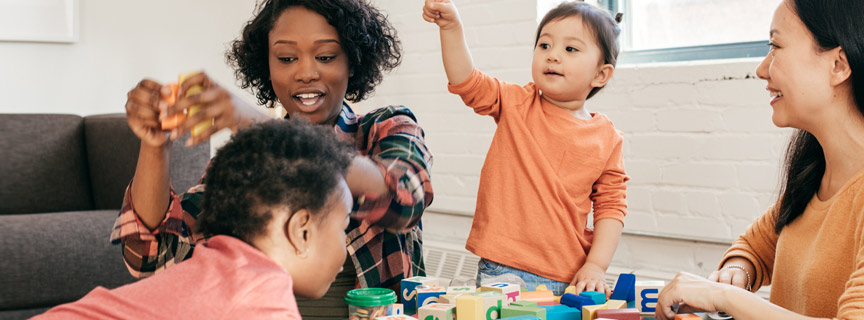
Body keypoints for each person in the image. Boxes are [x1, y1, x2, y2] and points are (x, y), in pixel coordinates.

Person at [113, 0, 433, 317]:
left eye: (325, 56)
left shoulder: (387, 127)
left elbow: (405, 198)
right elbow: (152, 258)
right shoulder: (251, 159)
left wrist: (254, 124)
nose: (306, 72)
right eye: (286, 58)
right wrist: (154, 146)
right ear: (267, 64)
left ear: (352, 61)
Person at [656, 0, 864, 319]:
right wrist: (738, 272)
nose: (762, 69)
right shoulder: (822, 174)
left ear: (838, 65)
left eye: (775, 46)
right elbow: (755, 247)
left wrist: (723, 297)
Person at [37, 120, 353, 319]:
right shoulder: (262, 303)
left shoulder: (212, 268)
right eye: (343, 228)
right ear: (301, 231)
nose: (344, 248)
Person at [423, 0, 629, 295]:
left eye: (570, 49)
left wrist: (596, 265)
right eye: (544, 45)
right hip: (503, 271)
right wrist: (452, 28)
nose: (553, 56)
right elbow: (466, 82)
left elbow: (611, 207)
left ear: (600, 75)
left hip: (569, 277)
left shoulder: (608, 137)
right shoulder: (516, 102)